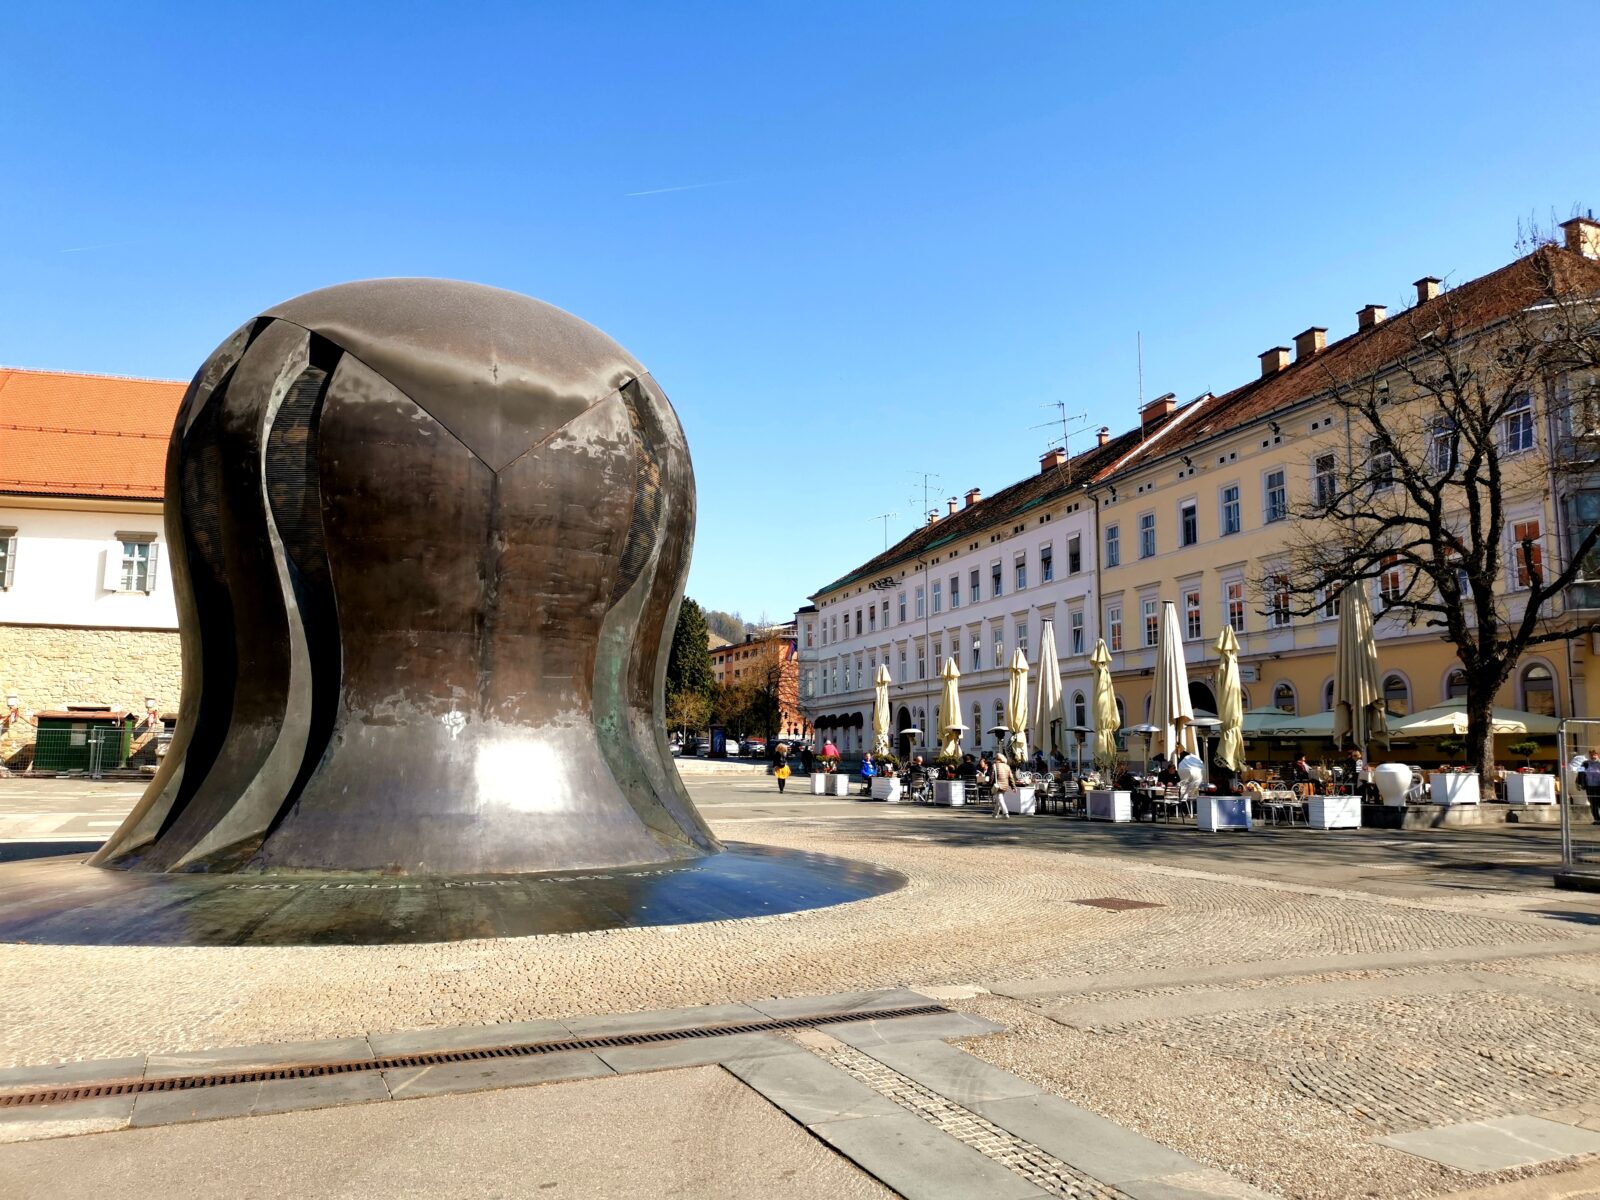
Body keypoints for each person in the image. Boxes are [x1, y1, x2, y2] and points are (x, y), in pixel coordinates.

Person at [991, 753, 1014, 817]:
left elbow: (992, 776)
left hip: (998, 785)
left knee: (1000, 799)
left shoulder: (994, 765)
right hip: (1005, 785)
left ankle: (1006, 813)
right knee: (999, 799)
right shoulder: (1007, 766)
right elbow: (1011, 777)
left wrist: (990, 783)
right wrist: (1013, 787)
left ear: (997, 759)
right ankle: (995, 814)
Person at [1583, 750, 1600, 823]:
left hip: (1599, 786)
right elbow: (1580, 773)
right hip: (1590, 786)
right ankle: (1597, 819)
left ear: (1598, 755)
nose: (1593, 756)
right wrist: (1581, 783)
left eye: (1595, 755)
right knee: (1593, 803)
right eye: (1591, 755)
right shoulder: (1585, 764)